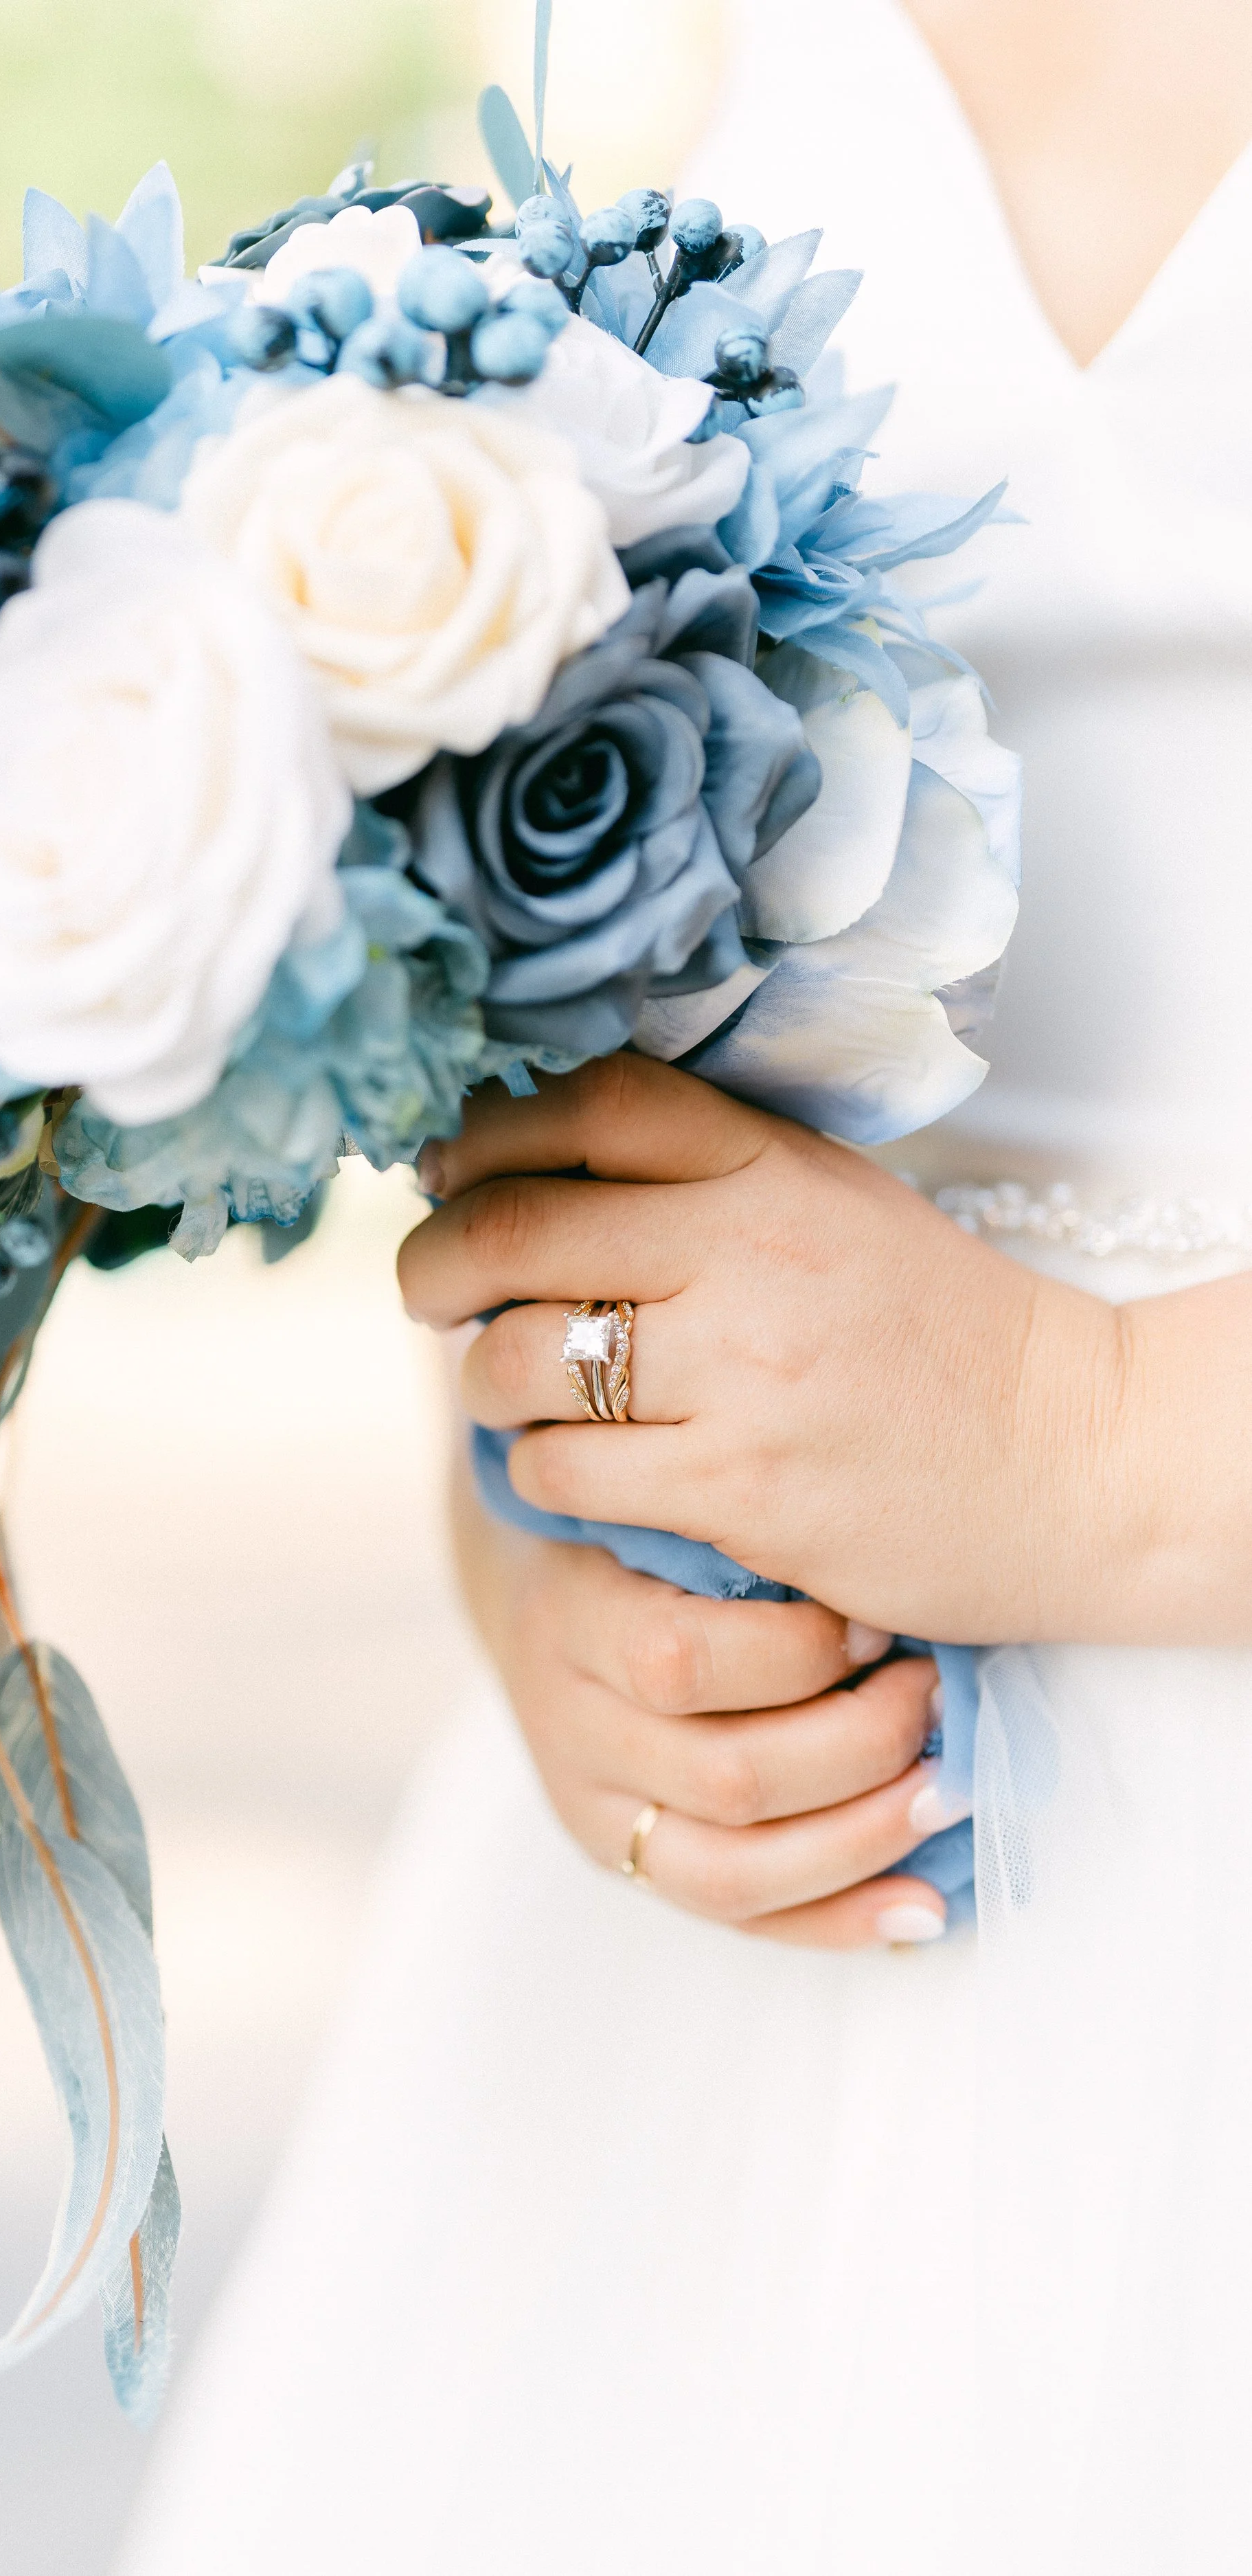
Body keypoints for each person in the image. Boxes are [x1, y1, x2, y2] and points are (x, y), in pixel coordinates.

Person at [116, 0, 1252, 2565]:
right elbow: (539, 964)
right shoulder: (646, 34)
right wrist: (542, 1524)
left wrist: (1080, 1443)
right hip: (732, 1932)